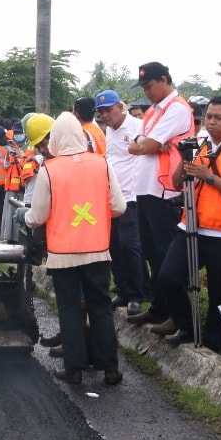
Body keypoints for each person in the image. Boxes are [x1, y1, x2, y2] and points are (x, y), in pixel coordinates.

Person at [23, 112, 127, 385]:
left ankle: (74, 370)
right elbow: (119, 207)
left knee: (69, 310)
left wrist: (24, 216)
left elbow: (37, 216)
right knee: (101, 308)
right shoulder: (102, 164)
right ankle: (110, 368)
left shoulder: (49, 170)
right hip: (98, 251)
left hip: (62, 256)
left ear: (55, 138)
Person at [150, 96, 221, 351]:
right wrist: (183, 157)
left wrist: (208, 177)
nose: (210, 122)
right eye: (208, 116)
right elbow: (177, 183)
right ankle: (186, 326)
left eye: (218, 118)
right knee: (168, 278)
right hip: (190, 227)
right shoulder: (198, 143)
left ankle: (214, 343)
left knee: (219, 294)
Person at [125, 62, 195, 331]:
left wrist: (147, 144)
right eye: (143, 87)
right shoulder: (154, 111)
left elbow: (147, 144)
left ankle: (179, 317)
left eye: (149, 86)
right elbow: (135, 145)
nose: (146, 92)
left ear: (164, 80)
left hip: (164, 190)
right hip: (145, 188)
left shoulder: (176, 108)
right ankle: (159, 307)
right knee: (151, 251)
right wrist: (144, 144)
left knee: (166, 255)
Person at [94, 90, 146, 316]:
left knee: (129, 245)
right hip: (110, 197)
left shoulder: (137, 126)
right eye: (101, 111)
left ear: (120, 106)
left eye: (109, 110)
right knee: (113, 245)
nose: (105, 115)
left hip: (131, 196)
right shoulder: (106, 133)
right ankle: (123, 290)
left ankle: (137, 294)